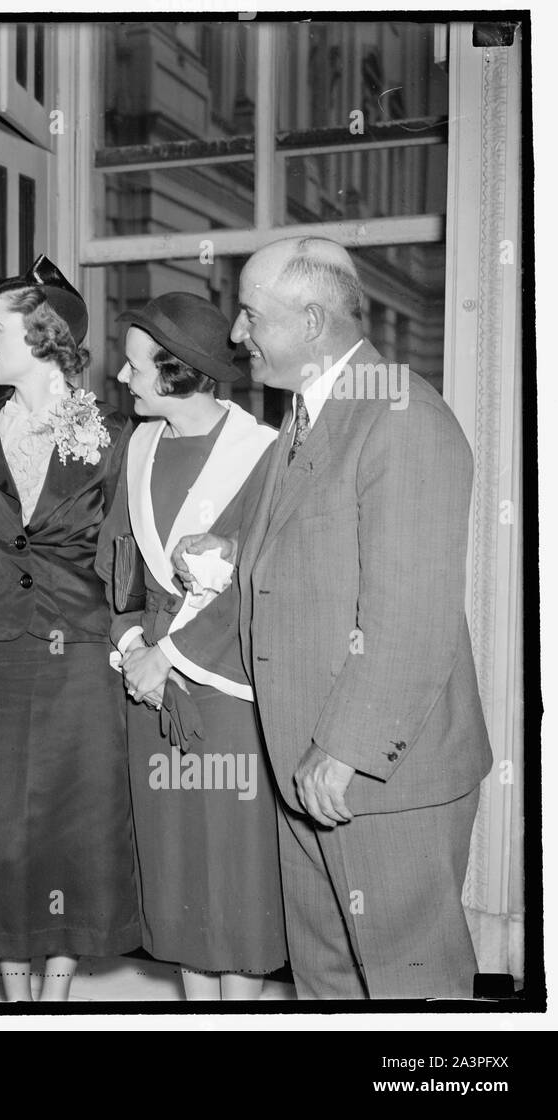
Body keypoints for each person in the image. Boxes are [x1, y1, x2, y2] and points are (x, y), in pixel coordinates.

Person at [175, 237, 493, 998]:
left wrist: (344, 749)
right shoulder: (312, 414)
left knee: (408, 992)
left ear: (313, 322)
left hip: (376, 777)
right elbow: (321, 538)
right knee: (329, 984)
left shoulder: (402, 417)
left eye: (251, 316)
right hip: (310, 764)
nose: (236, 334)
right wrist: (236, 547)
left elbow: (411, 614)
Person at [0, 256, 139, 1001]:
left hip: (81, 648)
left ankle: (58, 1000)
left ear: (43, 337)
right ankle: (15, 1002)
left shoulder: (115, 433)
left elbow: (131, 555)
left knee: (75, 822)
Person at [94, 292, 285, 1000]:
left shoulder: (261, 456)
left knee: (233, 881)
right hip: (151, 691)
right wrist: (133, 645)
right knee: (175, 876)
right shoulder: (137, 445)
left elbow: (261, 586)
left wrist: (165, 656)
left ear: (179, 371)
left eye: (138, 363)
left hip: (225, 692)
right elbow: (117, 569)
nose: (120, 374)